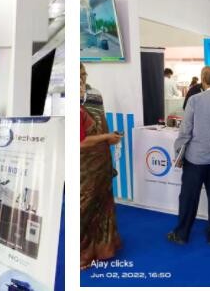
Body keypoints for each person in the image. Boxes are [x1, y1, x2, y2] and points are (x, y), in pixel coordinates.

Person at [168, 67, 210, 245]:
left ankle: (182, 234)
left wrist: (179, 153)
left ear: (203, 81)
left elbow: (185, 130)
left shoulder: (194, 100)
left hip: (195, 158)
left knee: (188, 198)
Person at [80, 64, 122, 268]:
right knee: (84, 205)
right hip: (82, 163)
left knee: (103, 201)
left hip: (101, 158)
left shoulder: (95, 94)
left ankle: (104, 247)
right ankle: (83, 252)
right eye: (78, 75)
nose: (82, 79)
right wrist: (106, 137)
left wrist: (110, 139)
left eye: (83, 74)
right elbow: (80, 141)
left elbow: (101, 123)